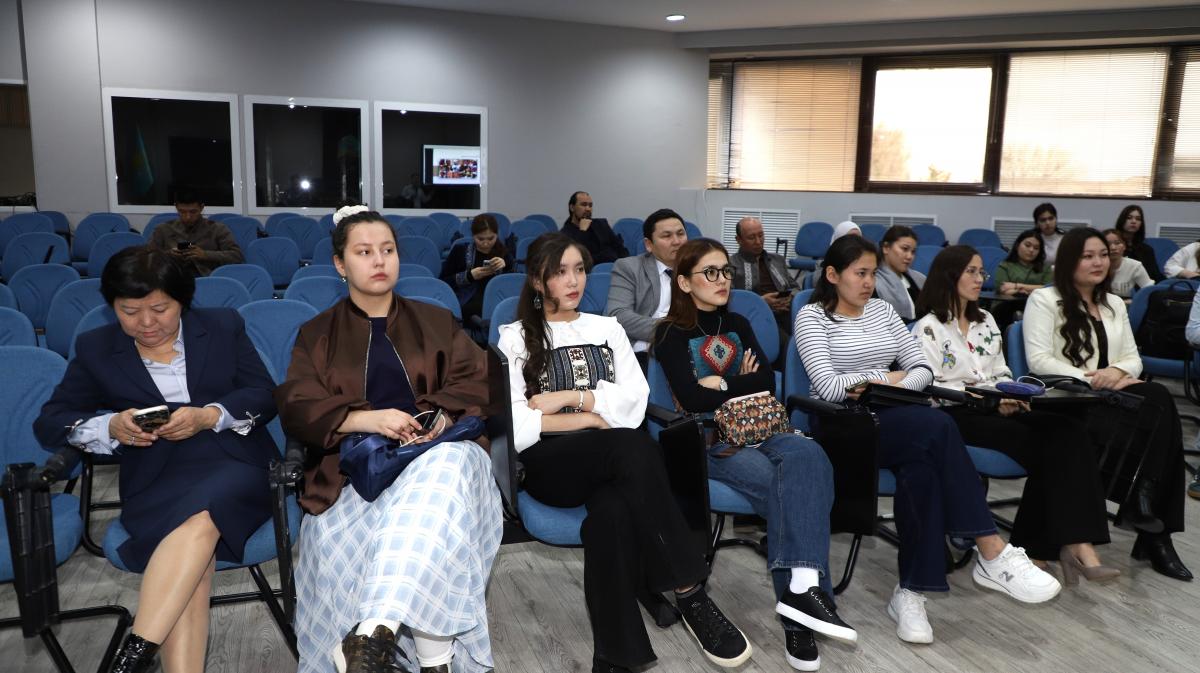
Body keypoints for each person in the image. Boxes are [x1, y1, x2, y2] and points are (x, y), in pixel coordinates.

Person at [497, 233, 751, 673]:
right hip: (551, 464)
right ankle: (689, 589)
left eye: (580, 270)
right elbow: (517, 425)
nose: (573, 281)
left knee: (611, 515)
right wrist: (596, 417)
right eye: (560, 272)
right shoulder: (515, 338)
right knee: (631, 445)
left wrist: (570, 400)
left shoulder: (607, 329)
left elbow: (635, 403)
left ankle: (616, 658)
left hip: (613, 460)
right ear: (538, 281)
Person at [795, 235, 1061, 645]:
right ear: (832, 275)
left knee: (922, 469)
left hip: (893, 417)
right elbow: (829, 387)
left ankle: (911, 593)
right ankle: (990, 548)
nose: (868, 283)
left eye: (873, 274)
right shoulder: (812, 317)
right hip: (841, 424)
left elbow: (922, 371)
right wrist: (888, 378)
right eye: (860, 274)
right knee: (937, 427)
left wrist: (879, 384)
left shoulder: (882, 310)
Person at [275, 205, 502, 673]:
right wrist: (365, 420)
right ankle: (434, 662)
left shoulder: (436, 321)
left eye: (388, 250)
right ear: (340, 264)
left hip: (445, 463)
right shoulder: (317, 335)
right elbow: (297, 404)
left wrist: (438, 415)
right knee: (434, 515)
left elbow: (480, 381)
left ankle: (371, 631)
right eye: (364, 252)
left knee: (444, 467)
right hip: (355, 476)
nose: (379, 260)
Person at [35, 246, 277, 673]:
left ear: (182, 301)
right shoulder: (96, 348)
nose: (146, 323)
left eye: (160, 309)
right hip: (156, 476)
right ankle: (139, 658)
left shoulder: (223, 326)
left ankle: (132, 655)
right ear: (112, 306)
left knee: (203, 516)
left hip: (235, 463)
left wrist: (210, 416)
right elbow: (51, 422)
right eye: (129, 312)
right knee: (193, 562)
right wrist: (109, 426)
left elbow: (264, 395)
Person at [654, 238, 855, 672]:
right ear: (684, 282)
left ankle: (800, 594)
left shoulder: (738, 322)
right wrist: (737, 382)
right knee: (789, 488)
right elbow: (693, 400)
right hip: (710, 440)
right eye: (710, 272)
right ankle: (800, 616)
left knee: (812, 457)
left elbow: (767, 381)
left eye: (725, 271)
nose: (722, 280)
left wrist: (721, 384)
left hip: (763, 426)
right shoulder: (670, 333)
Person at [912, 245, 1117, 584]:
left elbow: (1002, 372)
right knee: (1046, 446)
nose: (980, 279)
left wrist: (1009, 394)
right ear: (949, 276)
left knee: (1070, 430)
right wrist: (985, 398)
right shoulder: (929, 327)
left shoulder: (986, 320)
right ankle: (1062, 547)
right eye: (971, 272)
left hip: (997, 406)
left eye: (981, 272)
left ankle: (1068, 545)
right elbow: (929, 386)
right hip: (956, 413)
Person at [1023, 227, 1191, 581]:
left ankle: (1145, 503)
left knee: (1159, 400)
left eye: (1102, 254)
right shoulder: (1044, 299)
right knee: (1161, 416)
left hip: (1111, 397)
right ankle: (1152, 529)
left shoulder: (1114, 303)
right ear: (1069, 261)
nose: (1098, 262)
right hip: (1068, 401)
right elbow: (1038, 361)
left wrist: (1116, 371)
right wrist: (1093, 378)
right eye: (1087, 256)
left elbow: (1133, 358)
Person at [607, 208, 689, 364]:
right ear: (649, 244)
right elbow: (618, 315)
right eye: (667, 236)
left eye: (680, 234)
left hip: (687, 351)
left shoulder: (697, 269)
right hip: (642, 353)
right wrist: (670, 331)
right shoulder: (629, 268)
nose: (677, 241)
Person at [729, 216, 800, 365]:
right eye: (751, 237)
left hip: (787, 312)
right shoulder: (730, 264)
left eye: (761, 235)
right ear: (738, 240)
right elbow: (729, 298)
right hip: (756, 318)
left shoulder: (777, 260)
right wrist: (761, 303)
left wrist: (790, 297)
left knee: (808, 337)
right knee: (791, 346)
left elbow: (795, 288)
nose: (758, 241)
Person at [146, 189, 245, 277]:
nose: (187, 217)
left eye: (193, 212)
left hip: (207, 278)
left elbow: (237, 256)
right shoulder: (163, 229)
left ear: (201, 208)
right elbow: (147, 257)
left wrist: (206, 255)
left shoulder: (217, 229)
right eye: (182, 212)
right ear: (176, 207)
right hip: (171, 278)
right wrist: (168, 255)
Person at [439, 213, 513, 322]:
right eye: (480, 239)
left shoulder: (504, 254)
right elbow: (443, 283)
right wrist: (469, 276)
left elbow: (514, 285)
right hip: (467, 300)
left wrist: (506, 267)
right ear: (473, 236)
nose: (486, 243)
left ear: (497, 235)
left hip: (496, 300)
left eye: (491, 238)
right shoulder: (460, 251)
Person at [873, 225, 925, 321]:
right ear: (886, 248)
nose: (909, 256)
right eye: (904, 249)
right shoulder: (874, 282)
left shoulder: (919, 278)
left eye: (913, 252)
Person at [560, 191, 626, 263]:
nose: (588, 209)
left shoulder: (601, 224)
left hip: (614, 265)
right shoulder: (564, 234)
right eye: (583, 205)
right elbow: (578, 258)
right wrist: (582, 232)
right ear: (572, 208)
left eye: (590, 205)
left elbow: (620, 249)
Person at [993, 229, 1053, 295]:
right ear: (1017, 246)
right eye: (1027, 245)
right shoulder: (1005, 265)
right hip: (1007, 300)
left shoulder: (1046, 268)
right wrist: (1020, 292)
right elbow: (1002, 288)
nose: (1031, 250)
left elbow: (1048, 289)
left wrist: (1017, 286)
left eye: (1036, 248)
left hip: (1037, 301)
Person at [1115, 205, 1164, 282]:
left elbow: (1155, 276)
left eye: (1138, 219)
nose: (1134, 221)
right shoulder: (1113, 247)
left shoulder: (1147, 250)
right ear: (1122, 221)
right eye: (1129, 218)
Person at [1102, 228, 1153, 300]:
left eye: (1117, 243)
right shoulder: (1096, 265)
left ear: (1124, 246)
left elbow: (1149, 291)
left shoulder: (1135, 266)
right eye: (1108, 244)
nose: (1113, 247)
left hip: (1125, 303)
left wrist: (1133, 302)